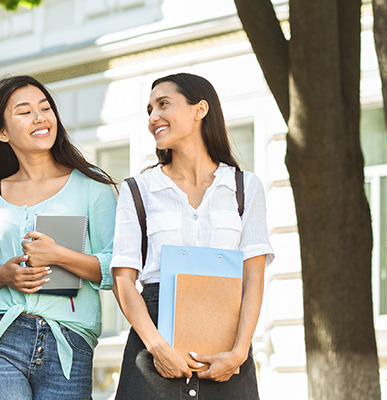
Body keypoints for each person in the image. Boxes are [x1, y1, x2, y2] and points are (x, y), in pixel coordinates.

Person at [110, 73, 274, 399]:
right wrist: (158, 348)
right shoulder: (138, 190)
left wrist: (239, 352)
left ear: (200, 109)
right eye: (148, 110)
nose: (153, 117)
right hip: (154, 344)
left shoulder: (244, 188)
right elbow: (123, 280)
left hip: (228, 349)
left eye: (163, 105)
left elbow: (253, 278)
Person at [0, 75, 117, 399]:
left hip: (69, 341)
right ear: (2, 132)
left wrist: (59, 256)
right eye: (24, 111)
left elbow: (116, 270)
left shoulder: (92, 187)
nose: (40, 117)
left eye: (45, 108)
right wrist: (3, 275)